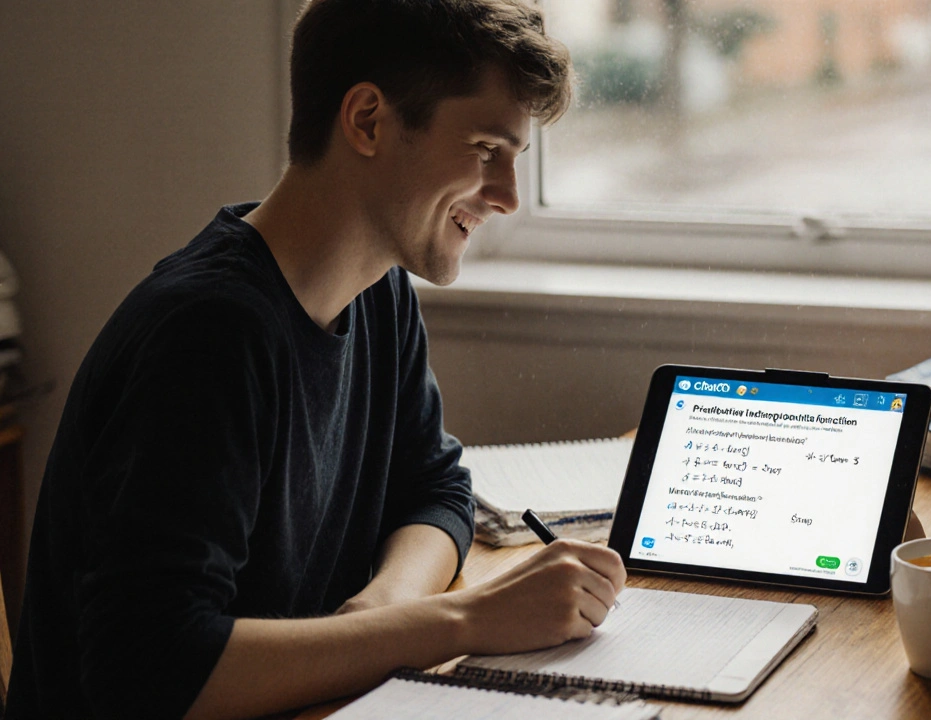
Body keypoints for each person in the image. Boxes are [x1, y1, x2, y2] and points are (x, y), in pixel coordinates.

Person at [5, 1, 627, 718]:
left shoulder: (378, 290)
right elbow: (150, 669)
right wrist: (463, 622)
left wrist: (380, 615)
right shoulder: (209, 334)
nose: (508, 197)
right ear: (367, 120)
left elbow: (435, 489)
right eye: (487, 148)